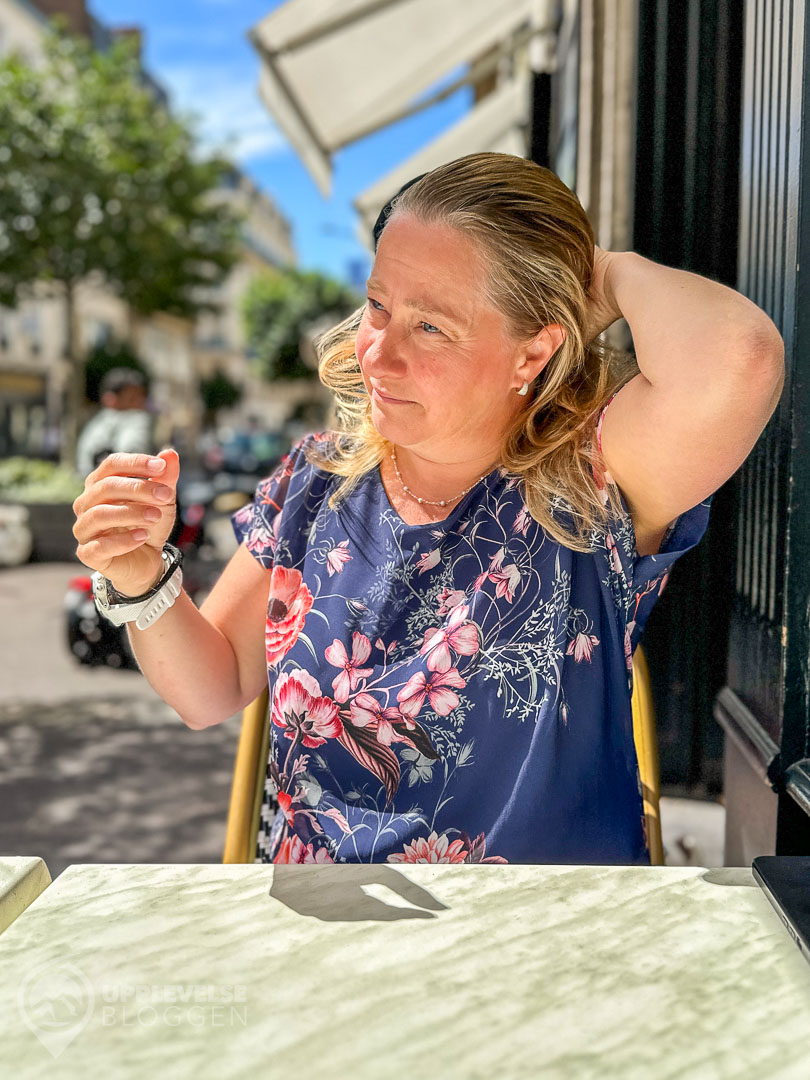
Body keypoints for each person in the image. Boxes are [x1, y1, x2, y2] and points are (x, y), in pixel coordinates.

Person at [72, 153, 785, 865]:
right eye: (378, 306)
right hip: (328, 939)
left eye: (431, 327)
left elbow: (742, 360)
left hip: (543, 947)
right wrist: (141, 577)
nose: (378, 355)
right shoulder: (314, 483)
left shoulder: (593, 478)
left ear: (533, 353)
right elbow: (211, 688)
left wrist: (610, 273)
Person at [75, 367, 155, 477]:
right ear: (110, 399)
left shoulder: (94, 424)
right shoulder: (137, 419)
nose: (140, 403)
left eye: (142, 397)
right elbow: (131, 452)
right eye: (132, 399)